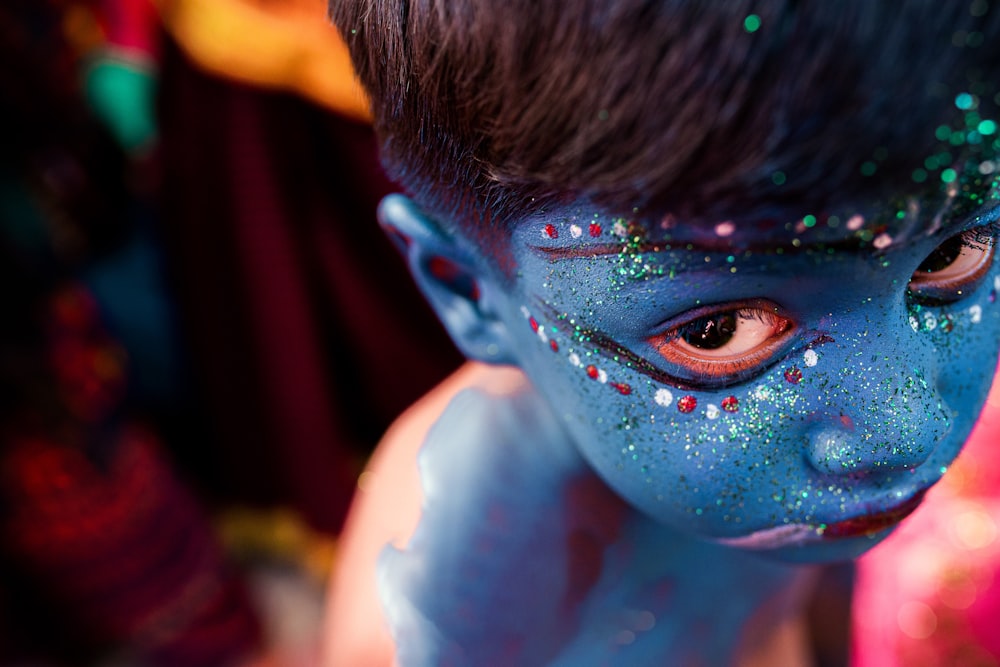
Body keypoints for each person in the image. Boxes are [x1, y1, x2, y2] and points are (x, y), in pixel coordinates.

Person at [321, 1, 1000, 664]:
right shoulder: (443, 635)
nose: (905, 428)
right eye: (717, 332)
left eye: (952, 255)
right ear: (469, 290)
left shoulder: (770, 500)